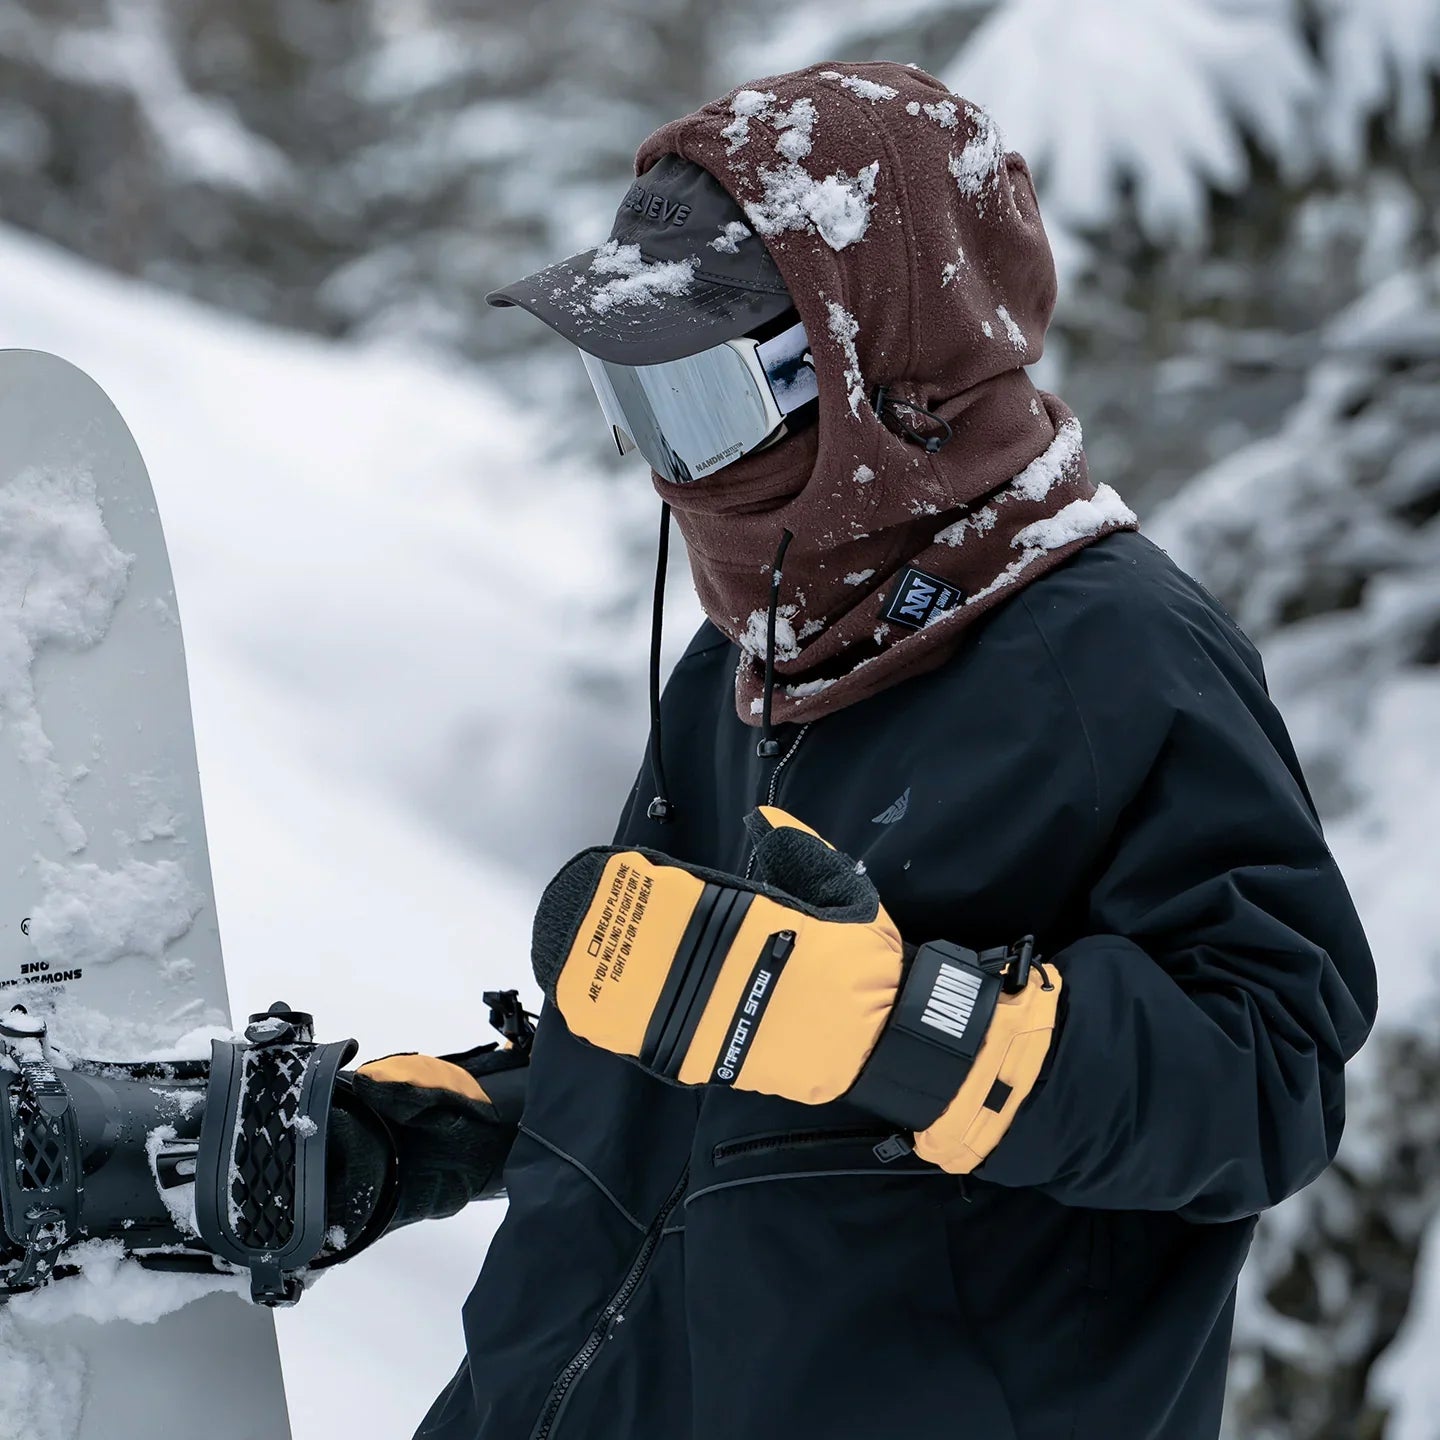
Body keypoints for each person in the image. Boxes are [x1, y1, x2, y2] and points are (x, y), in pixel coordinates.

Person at [332, 60, 1378, 1440]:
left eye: (699, 405)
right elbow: (730, 1041)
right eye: (630, 402)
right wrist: (447, 1125)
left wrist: (919, 1031)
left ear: (890, 379)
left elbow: (1268, 1079)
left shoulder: (1117, 657)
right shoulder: (756, 655)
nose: (674, 471)